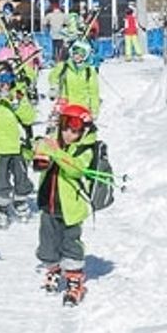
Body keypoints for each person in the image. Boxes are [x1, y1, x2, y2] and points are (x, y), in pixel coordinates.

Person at [32, 101, 99, 305]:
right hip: (48, 204)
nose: (68, 134)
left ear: (83, 131)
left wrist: (57, 153)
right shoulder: (53, 141)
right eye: (65, 129)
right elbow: (38, 158)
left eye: (74, 131)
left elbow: (77, 169)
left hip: (71, 207)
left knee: (71, 244)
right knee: (47, 243)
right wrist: (36, 150)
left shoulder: (85, 149)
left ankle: (74, 279)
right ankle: (53, 270)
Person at [0, 62, 38, 228]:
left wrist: (16, 104)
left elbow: (29, 118)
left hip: (18, 145)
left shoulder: (18, 94)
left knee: (22, 177)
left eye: (8, 78)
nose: (4, 83)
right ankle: (3, 207)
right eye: (0, 79)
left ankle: (20, 201)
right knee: (1, 180)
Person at [47, 40, 102, 117]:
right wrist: (54, 87)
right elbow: (53, 76)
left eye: (81, 54)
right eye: (75, 53)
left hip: (82, 108)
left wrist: (94, 111)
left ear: (85, 55)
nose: (77, 56)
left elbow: (93, 92)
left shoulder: (89, 71)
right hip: (65, 105)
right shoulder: (64, 66)